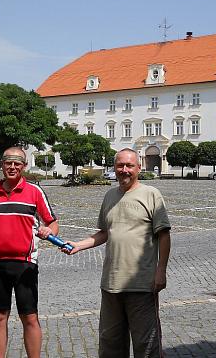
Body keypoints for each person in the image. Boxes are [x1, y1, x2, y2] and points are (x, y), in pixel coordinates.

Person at [64, 148, 171, 358]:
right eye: (120, 165)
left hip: (142, 284)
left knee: (146, 345)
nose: (124, 170)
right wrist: (79, 244)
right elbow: (105, 232)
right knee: (110, 344)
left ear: (138, 167)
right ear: (114, 168)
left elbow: (164, 235)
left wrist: (161, 271)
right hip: (111, 284)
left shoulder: (151, 195)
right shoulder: (110, 195)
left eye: (129, 165)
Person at [0, 147, 59, 358]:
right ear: (2, 165)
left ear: (24, 166)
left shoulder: (34, 191)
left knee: (29, 317)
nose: (12, 167)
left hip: (25, 264)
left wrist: (49, 231)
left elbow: (52, 222)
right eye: (8, 163)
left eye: (17, 163)